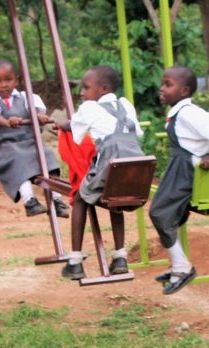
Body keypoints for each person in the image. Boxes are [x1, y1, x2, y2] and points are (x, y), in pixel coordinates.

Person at [53, 65, 144, 280]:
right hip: (136, 167)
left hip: (110, 163)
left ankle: (75, 261)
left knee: (80, 198)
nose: (82, 93)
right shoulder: (125, 105)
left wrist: (58, 124)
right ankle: (120, 257)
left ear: (103, 89)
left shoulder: (89, 109)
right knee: (116, 201)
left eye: (86, 88)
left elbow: (71, 126)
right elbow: (137, 132)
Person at [149, 66, 209, 295]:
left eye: (168, 85)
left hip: (185, 169)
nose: (162, 89)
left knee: (159, 213)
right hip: (178, 167)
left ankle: (182, 267)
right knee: (163, 214)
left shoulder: (187, 112)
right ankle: (178, 264)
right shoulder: (178, 111)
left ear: (184, 91)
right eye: (163, 83)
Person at [0, 60, 69, 218]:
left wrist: (38, 116)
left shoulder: (26, 97)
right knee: (18, 160)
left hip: (29, 142)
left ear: (17, 80)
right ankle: (30, 201)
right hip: (6, 145)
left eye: (8, 79)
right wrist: (7, 122)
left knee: (47, 156)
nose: (4, 85)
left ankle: (57, 199)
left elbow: (33, 110)